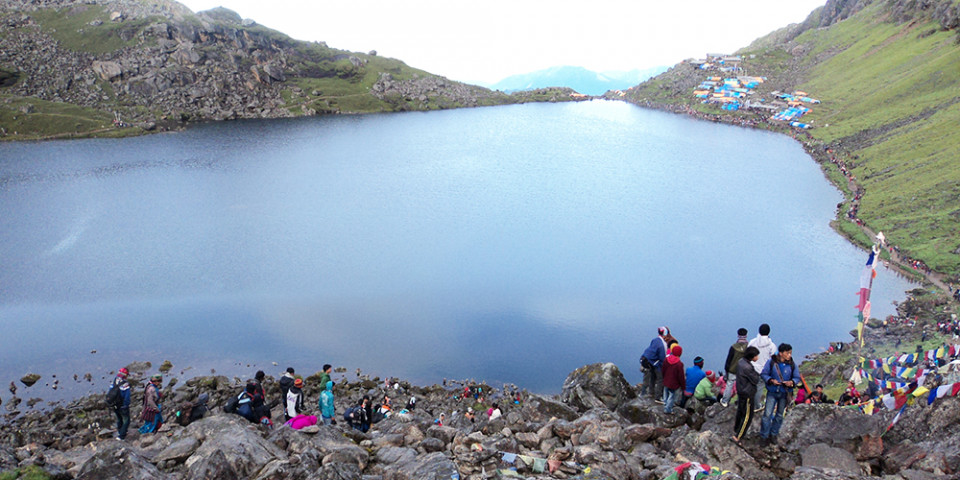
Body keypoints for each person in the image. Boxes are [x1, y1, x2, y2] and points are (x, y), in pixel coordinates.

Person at [759, 343, 801, 444]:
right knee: (767, 414)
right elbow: (764, 374)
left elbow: (796, 377)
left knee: (779, 415)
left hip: (784, 393)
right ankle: (764, 436)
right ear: (781, 353)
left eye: (790, 353)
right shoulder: (771, 362)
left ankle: (774, 434)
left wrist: (791, 382)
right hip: (772, 392)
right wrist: (771, 380)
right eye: (787, 353)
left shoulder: (792, 364)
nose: (789, 355)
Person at [732, 346, 761, 446]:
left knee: (741, 411)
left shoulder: (741, 362)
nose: (757, 357)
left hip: (741, 391)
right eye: (756, 355)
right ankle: (738, 436)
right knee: (748, 416)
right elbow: (755, 379)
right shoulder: (748, 367)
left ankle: (736, 429)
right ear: (752, 356)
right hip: (748, 393)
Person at [748, 324, 777, 410]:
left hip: (752, 368)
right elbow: (774, 359)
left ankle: (747, 404)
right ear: (769, 332)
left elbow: (747, 354)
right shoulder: (771, 345)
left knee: (750, 387)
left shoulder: (752, 342)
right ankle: (757, 406)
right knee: (759, 388)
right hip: (763, 370)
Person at [640, 326, 670, 402]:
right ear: (665, 334)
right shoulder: (663, 344)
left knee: (652, 376)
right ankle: (658, 397)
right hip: (656, 363)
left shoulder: (655, 340)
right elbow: (662, 358)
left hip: (648, 361)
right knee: (660, 379)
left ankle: (651, 392)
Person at [721, 328, 749, 407]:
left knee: (729, 385)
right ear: (746, 335)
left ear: (738, 335)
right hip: (743, 370)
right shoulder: (748, 347)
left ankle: (725, 401)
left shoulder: (733, 347)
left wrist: (726, 369)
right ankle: (740, 401)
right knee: (742, 386)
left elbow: (729, 359)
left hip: (733, 369)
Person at [662, 344, 686, 414]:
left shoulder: (666, 360)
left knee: (665, 394)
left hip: (666, 380)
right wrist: (683, 386)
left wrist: (664, 378)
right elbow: (681, 376)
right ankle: (668, 409)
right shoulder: (679, 364)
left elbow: (663, 369)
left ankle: (665, 404)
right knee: (671, 396)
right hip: (674, 384)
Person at [110, 367, 132, 440]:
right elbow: (127, 396)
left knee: (119, 419)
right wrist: (126, 405)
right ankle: (122, 436)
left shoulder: (113, 382)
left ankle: (120, 431)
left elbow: (110, 392)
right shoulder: (125, 384)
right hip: (122, 405)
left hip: (115, 404)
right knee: (126, 420)